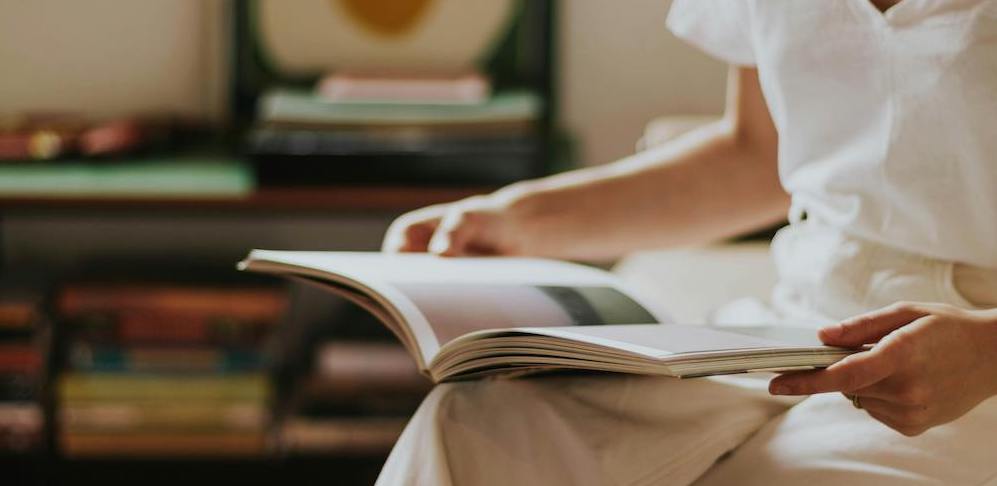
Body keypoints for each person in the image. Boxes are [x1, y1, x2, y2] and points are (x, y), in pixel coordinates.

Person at [376, 1, 997, 484]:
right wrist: (517, 218)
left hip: (970, 356)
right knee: (476, 429)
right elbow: (757, 154)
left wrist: (984, 351)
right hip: (794, 331)